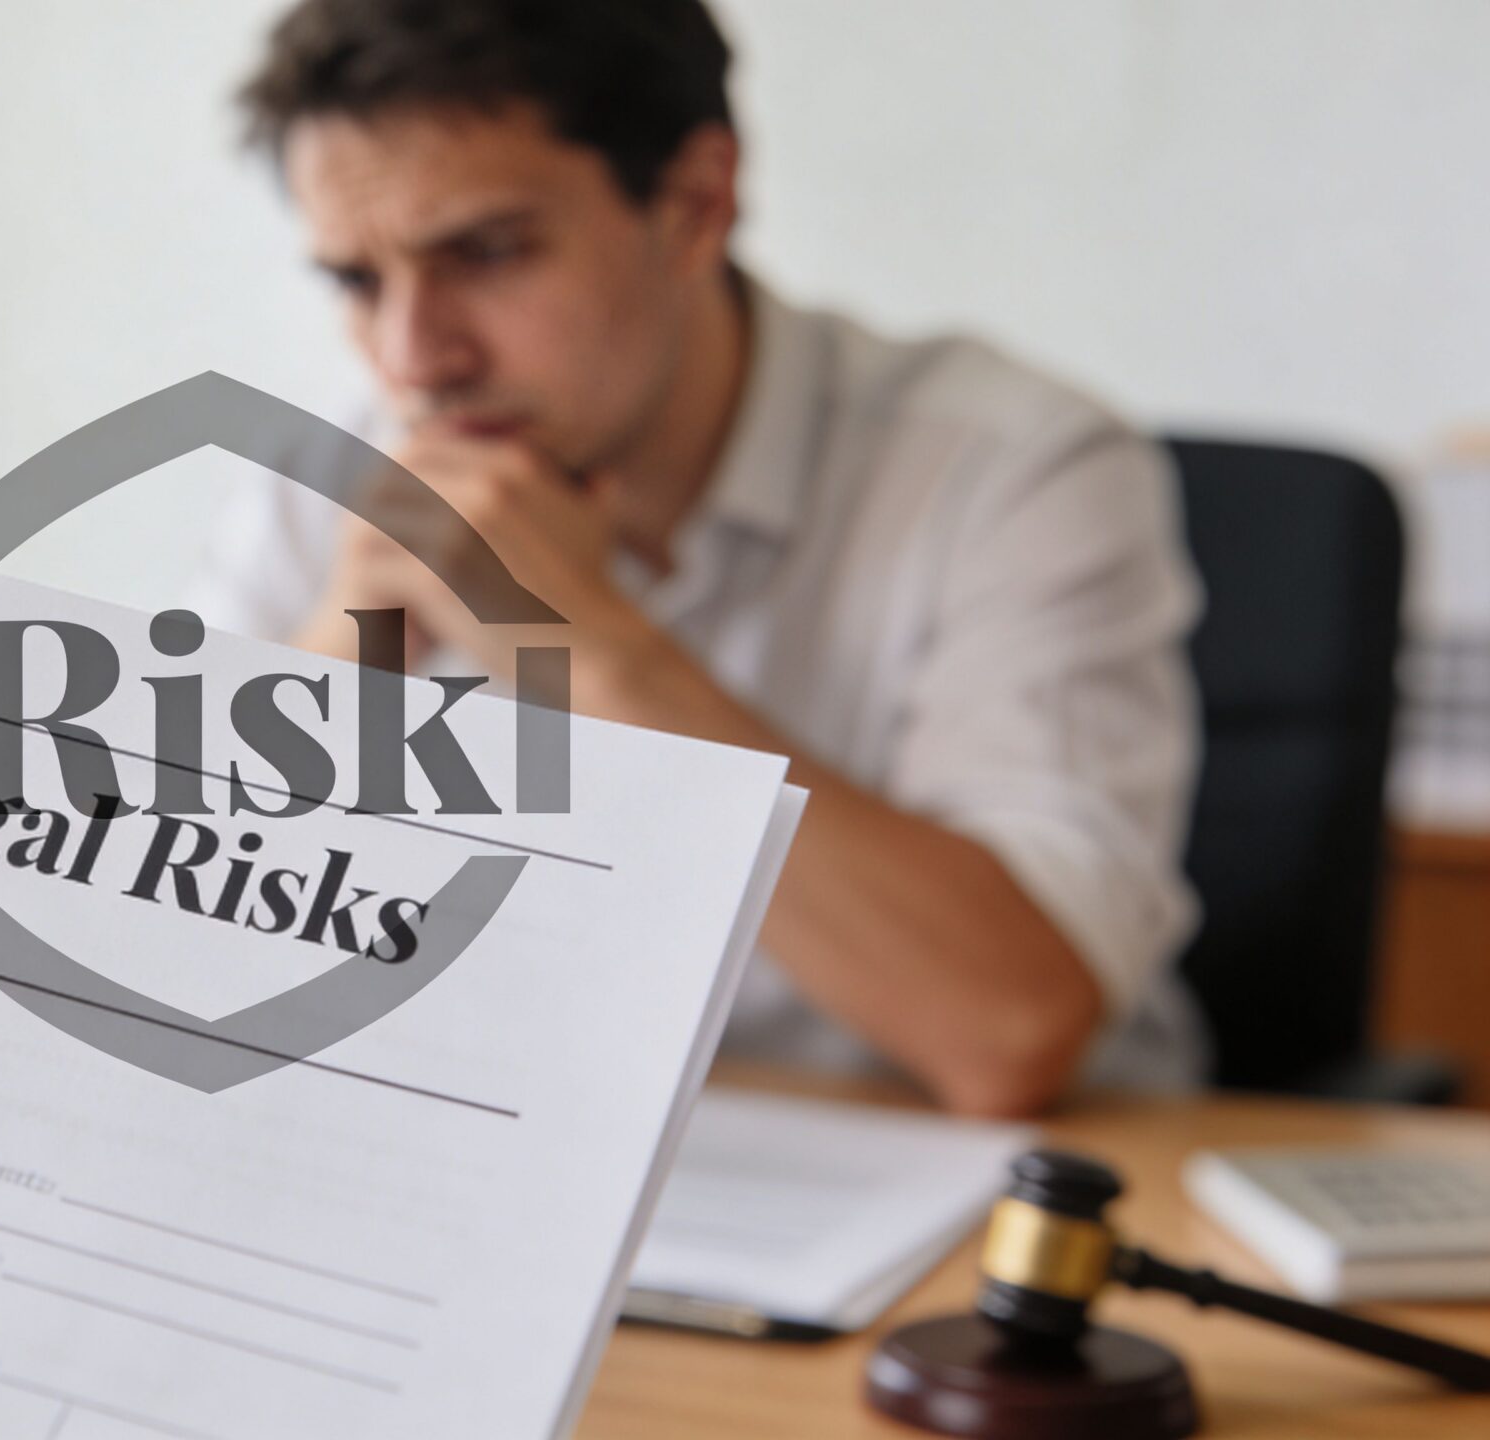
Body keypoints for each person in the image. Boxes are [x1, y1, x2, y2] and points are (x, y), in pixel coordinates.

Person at [190, 0, 1205, 1116]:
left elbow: (1004, 1033)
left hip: (967, 1204)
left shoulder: (1010, 471)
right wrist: (339, 668)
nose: (412, 358)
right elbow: (167, 999)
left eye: (484, 253)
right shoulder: (323, 490)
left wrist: (584, 646)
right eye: (355, 281)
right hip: (513, 1175)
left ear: (693, 203)